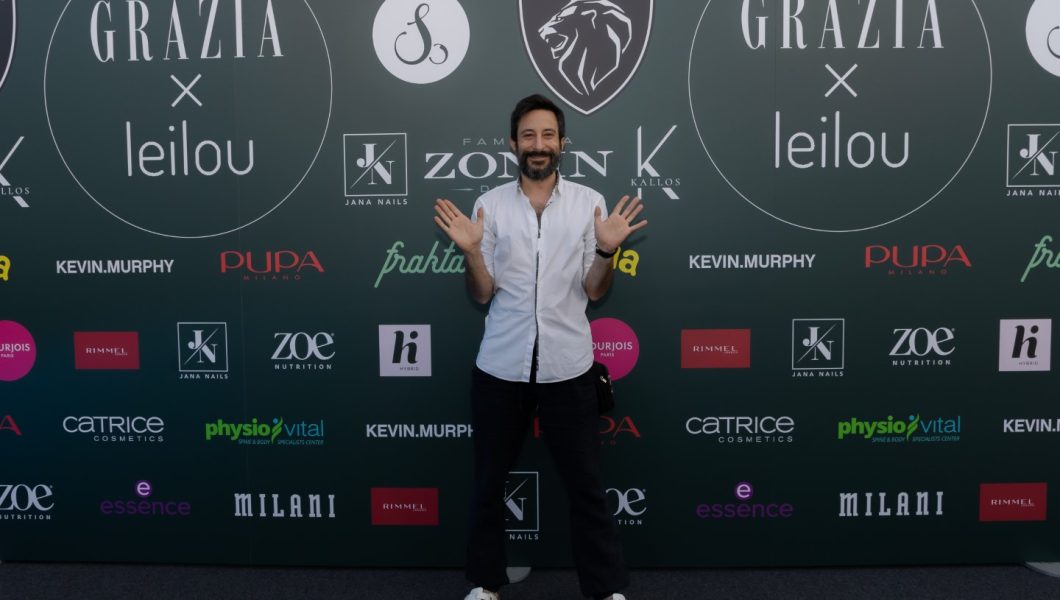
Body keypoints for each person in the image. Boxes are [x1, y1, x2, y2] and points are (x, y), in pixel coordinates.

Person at [433, 94, 647, 600]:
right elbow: (481, 293)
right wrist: (471, 253)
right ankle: (485, 585)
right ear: (513, 144)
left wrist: (606, 250)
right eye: (528, 135)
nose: (538, 144)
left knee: (587, 488)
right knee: (489, 485)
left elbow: (595, 290)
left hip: (569, 368)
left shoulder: (589, 202)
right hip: (500, 368)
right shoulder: (489, 206)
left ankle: (605, 590)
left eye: (548, 135)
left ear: (562, 143)